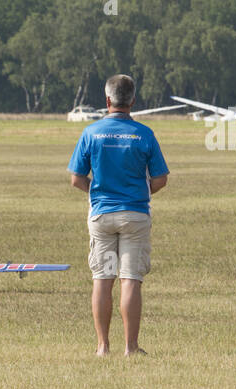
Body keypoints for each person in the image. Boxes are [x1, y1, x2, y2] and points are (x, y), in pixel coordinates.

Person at [68, 74, 169, 356]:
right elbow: (160, 179)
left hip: (101, 214)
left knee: (102, 278)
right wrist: (140, 192)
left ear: (107, 100)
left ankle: (102, 346)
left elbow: (76, 178)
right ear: (133, 101)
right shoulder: (144, 134)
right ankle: (131, 346)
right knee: (130, 279)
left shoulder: (91, 133)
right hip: (135, 215)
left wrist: (97, 192)